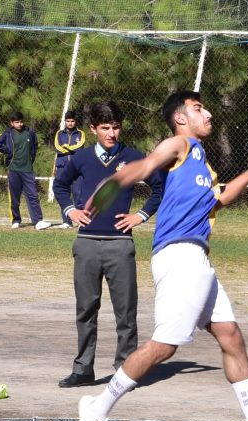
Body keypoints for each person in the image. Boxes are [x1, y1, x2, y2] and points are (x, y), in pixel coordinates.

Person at [77, 90, 248, 421]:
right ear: (181, 118)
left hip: (197, 257)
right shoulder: (180, 144)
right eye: (199, 108)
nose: (208, 114)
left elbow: (219, 200)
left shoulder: (203, 164)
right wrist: (114, 183)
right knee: (165, 345)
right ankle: (97, 408)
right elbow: (145, 166)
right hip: (179, 255)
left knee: (231, 335)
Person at [54, 101, 162, 388]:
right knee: (86, 309)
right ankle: (83, 369)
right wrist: (70, 210)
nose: (111, 133)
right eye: (105, 128)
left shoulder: (133, 157)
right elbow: (59, 185)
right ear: (93, 129)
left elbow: (159, 187)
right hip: (87, 243)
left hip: (120, 244)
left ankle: (126, 371)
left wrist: (140, 216)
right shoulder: (81, 158)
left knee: (125, 311)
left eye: (116, 127)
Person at [0, 111, 51, 230]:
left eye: (21, 122)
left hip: (27, 169)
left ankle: (38, 221)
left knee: (33, 195)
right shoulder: (8, 133)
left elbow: (35, 146)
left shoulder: (30, 132)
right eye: (17, 122)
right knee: (15, 196)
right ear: (12, 123)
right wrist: (8, 151)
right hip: (13, 169)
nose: (20, 124)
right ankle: (16, 220)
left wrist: (31, 159)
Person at [53, 111, 86, 229]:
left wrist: (67, 147)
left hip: (76, 168)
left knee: (78, 193)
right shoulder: (59, 134)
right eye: (68, 121)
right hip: (62, 167)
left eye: (72, 121)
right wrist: (67, 149)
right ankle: (66, 221)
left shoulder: (81, 134)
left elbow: (79, 147)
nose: (70, 123)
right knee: (63, 193)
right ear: (65, 121)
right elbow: (57, 147)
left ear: (75, 122)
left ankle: (81, 221)